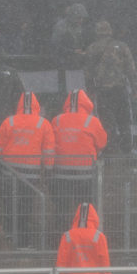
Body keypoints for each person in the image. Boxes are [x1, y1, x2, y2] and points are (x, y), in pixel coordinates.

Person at [0, 92, 54, 247]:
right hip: (30, 174)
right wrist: (48, 170)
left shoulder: (9, 122)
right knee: (26, 207)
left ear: (19, 104)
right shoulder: (43, 124)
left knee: (10, 204)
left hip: (9, 172)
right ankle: (24, 241)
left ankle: (10, 234)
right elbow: (48, 150)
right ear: (36, 105)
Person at [51, 88, 107, 234]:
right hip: (86, 174)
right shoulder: (93, 121)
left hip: (60, 173)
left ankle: (60, 236)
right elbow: (102, 143)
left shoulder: (57, 120)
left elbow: (50, 143)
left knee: (61, 208)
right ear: (86, 103)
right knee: (85, 207)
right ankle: (85, 234)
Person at [84, 23, 136, 154]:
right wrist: (135, 87)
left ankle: (110, 151)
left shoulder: (92, 48)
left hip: (103, 90)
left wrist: (90, 90)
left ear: (97, 32)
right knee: (124, 121)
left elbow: (88, 72)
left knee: (107, 123)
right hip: (120, 89)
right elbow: (130, 69)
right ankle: (127, 150)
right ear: (110, 32)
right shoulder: (122, 46)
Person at [55, 201, 109, 274]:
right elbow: (104, 262)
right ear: (95, 217)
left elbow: (61, 262)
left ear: (76, 216)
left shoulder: (67, 236)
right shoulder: (99, 236)